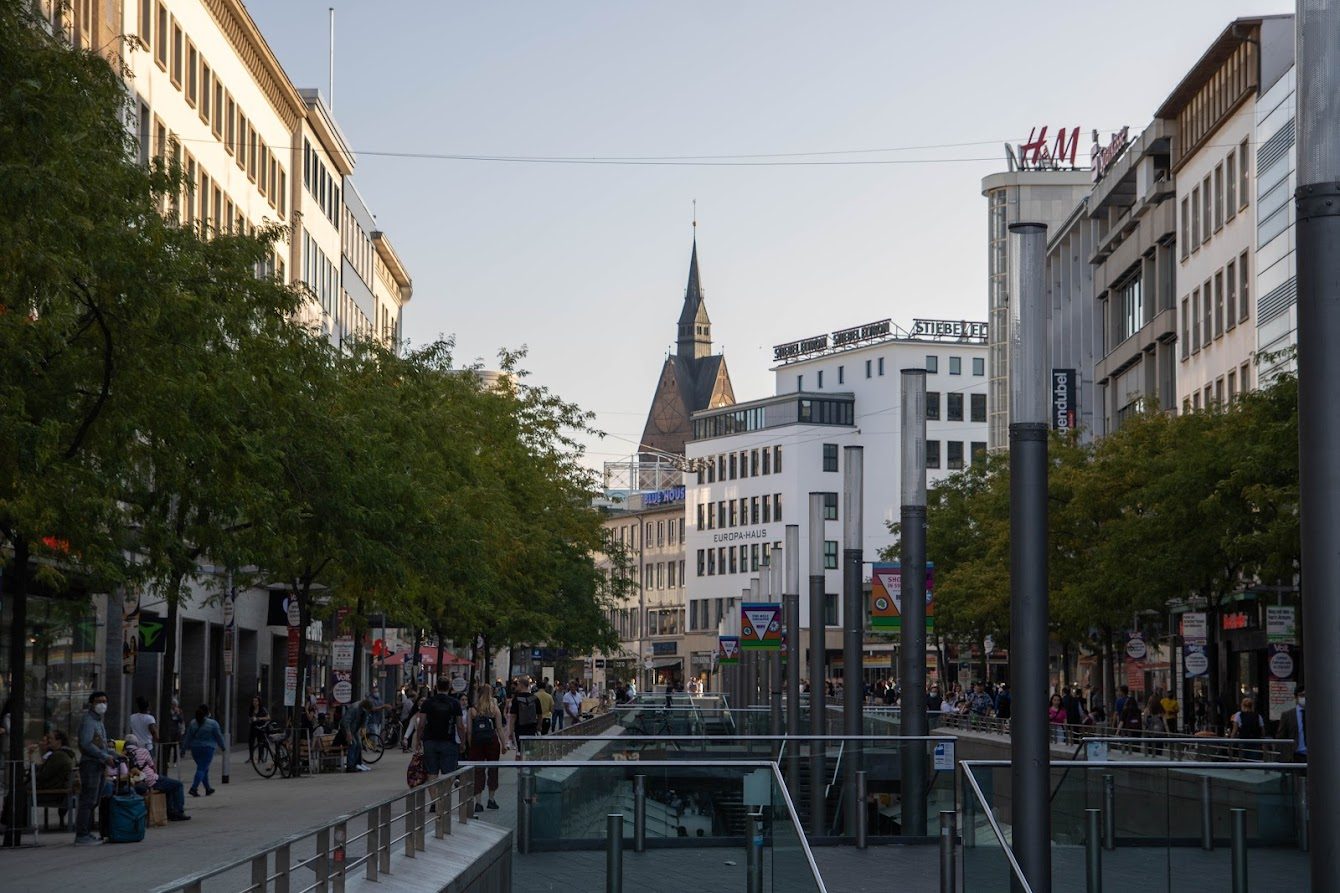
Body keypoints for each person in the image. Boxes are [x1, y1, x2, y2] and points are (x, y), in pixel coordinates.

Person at [74, 691, 117, 845]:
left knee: (94, 800)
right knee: (88, 799)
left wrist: (113, 755)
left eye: (104, 701)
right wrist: (105, 757)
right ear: (91, 703)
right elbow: (86, 744)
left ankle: (86, 832)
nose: (102, 704)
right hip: (90, 764)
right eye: (99, 701)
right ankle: (81, 835)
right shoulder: (88, 721)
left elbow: (101, 744)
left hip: (98, 764)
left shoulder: (98, 721)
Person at [124, 734, 189, 821]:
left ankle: (170, 811)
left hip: (135, 782)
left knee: (168, 785)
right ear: (136, 743)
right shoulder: (143, 751)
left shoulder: (122, 755)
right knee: (178, 785)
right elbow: (152, 766)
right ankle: (178, 812)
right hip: (151, 780)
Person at [417, 677, 467, 779]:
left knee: (432, 772)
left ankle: (434, 795)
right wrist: (463, 742)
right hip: (448, 741)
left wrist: (418, 740)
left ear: (436, 687)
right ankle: (445, 794)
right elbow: (460, 726)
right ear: (449, 687)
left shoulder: (428, 702)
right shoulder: (455, 703)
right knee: (448, 774)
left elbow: (421, 724)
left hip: (430, 740)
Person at [467, 684, 503, 812]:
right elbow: (499, 728)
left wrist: (470, 744)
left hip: (477, 742)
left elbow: (469, 731)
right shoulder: (494, 709)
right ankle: (491, 799)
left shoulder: (473, 709)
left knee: (478, 771)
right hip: (492, 742)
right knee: (493, 770)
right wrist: (504, 744)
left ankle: (478, 802)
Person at [182, 704, 225, 796]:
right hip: (208, 748)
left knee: (203, 768)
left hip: (195, 749)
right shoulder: (213, 723)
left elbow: (188, 737)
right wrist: (223, 746)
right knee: (202, 768)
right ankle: (194, 788)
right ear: (207, 712)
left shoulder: (193, 723)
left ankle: (208, 788)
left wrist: (183, 749)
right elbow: (218, 736)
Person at [1276, 686, 1307, 764]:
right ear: (1296, 697)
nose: (1304, 698)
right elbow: (1281, 736)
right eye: (1301, 695)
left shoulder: (1316, 714)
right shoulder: (1287, 715)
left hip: (1314, 756)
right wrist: (1285, 756)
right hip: (1295, 755)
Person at [341, 698, 372, 772]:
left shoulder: (364, 710)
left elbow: (365, 719)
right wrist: (348, 733)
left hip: (355, 729)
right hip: (347, 729)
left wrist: (363, 728)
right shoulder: (354, 708)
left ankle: (357, 763)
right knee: (353, 744)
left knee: (359, 745)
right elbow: (346, 721)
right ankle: (350, 766)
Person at [510, 679, 542, 749]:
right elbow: (540, 714)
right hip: (532, 728)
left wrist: (510, 732)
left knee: (520, 749)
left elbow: (513, 717)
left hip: (519, 728)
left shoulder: (516, 699)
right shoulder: (535, 698)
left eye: (518, 685)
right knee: (530, 749)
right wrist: (539, 726)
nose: (517, 687)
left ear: (521, 685)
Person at [247, 696, 270, 763]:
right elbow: (249, 718)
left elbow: (268, 718)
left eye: (256, 701)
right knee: (251, 742)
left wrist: (259, 718)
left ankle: (261, 758)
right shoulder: (251, 709)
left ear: (259, 702)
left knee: (260, 743)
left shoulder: (263, 709)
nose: (254, 702)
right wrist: (251, 720)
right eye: (253, 701)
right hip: (253, 727)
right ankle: (251, 758)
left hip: (260, 728)